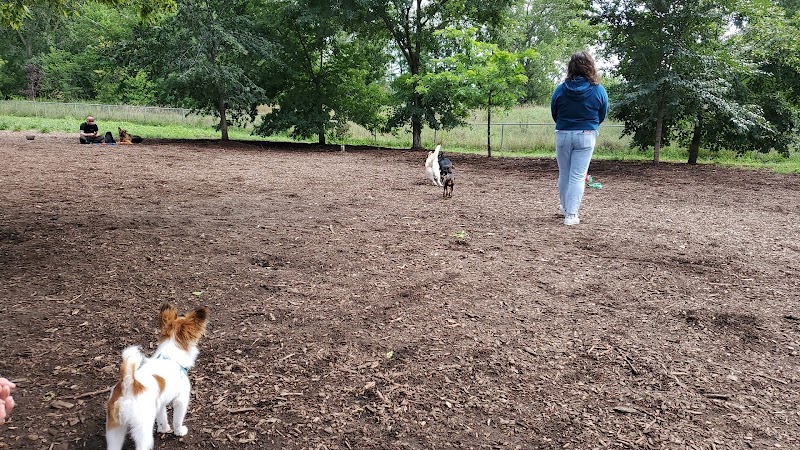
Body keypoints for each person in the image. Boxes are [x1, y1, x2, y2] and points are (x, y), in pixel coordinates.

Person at [550, 51, 608, 226]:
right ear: (590, 66)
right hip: (586, 135)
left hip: (563, 133)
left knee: (564, 174)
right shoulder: (598, 90)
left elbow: (554, 111)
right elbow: (602, 113)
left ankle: (565, 207)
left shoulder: (561, 89)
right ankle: (571, 215)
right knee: (578, 176)